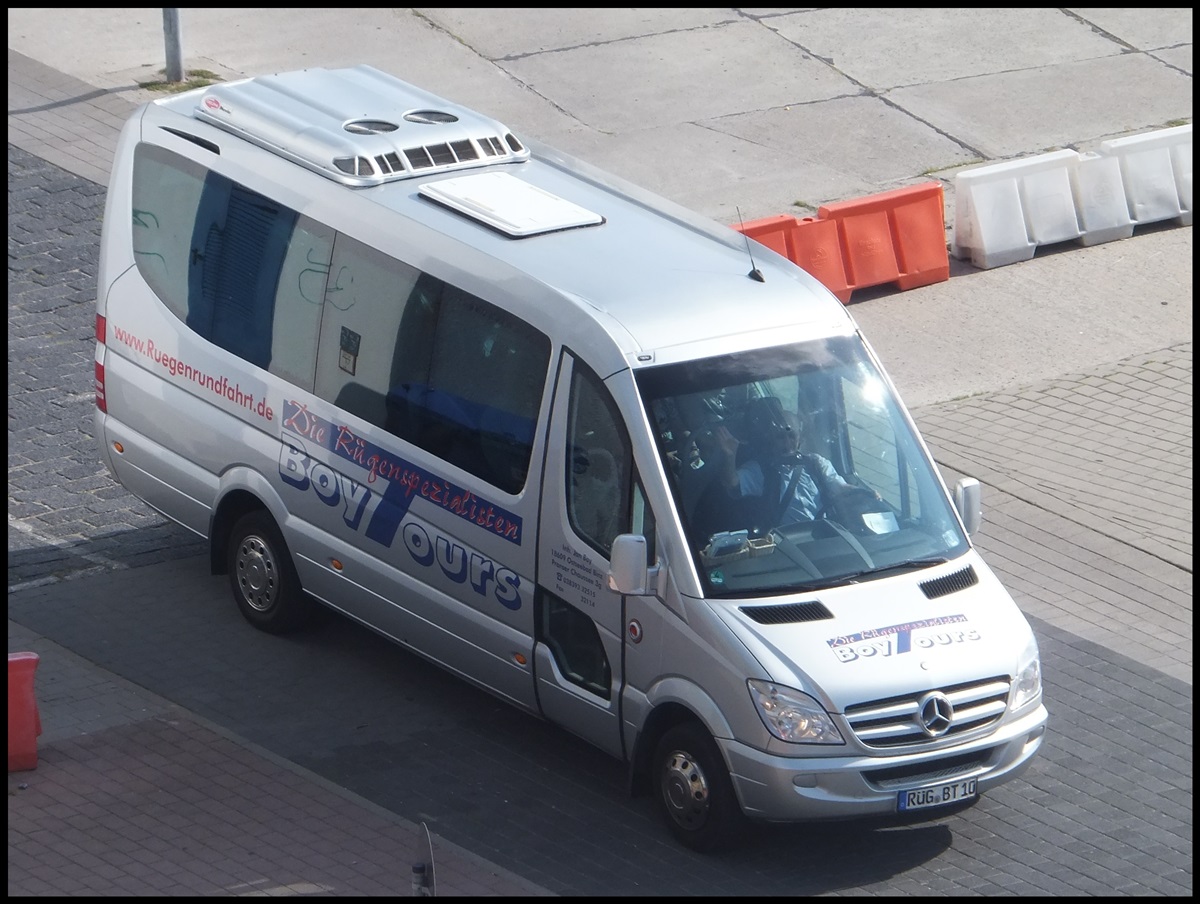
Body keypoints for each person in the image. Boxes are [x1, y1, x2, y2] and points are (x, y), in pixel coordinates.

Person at [704, 397, 876, 527]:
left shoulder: (816, 463)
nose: (786, 443)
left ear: (799, 438)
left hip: (824, 532)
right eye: (780, 437)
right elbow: (732, 483)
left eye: (791, 436)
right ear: (770, 439)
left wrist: (865, 493)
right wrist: (729, 456)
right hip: (786, 543)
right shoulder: (760, 470)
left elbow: (840, 488)